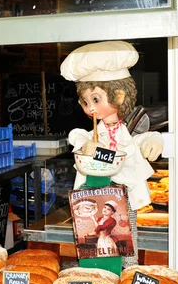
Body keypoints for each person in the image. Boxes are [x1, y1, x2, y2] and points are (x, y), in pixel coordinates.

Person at [60, 40, 164, 267]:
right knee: (95, 248)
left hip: (124, 199)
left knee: (127, 243)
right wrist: (87, 145)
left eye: (95, 99)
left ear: (119, 96)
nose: (90, 108)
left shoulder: (127, 132)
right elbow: (77, 136)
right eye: (85, 101)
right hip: (95, 199)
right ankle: (99, 276)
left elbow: (138, 140)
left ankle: (128, 273)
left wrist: (154, 140)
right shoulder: (91, 134)